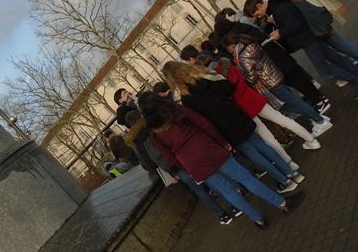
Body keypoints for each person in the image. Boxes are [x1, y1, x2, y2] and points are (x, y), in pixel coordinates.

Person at [141, 95, 305, 228]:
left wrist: (187, 167)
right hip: (208, 149)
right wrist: (222, 142)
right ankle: (282, 203)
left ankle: (258, 219)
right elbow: (204, 124)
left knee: (227, 191)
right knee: (245, 178)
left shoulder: (154, 133)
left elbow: (169, 156)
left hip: (193, 164)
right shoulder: (176, 110)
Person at [162, 61, 302, 193]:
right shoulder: (205, 78)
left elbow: (200, 120)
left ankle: (284, 180)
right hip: (236, 114)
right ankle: (291, 172)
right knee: (262, 144)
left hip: (224, 128)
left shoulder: (186, 100)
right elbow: (228, 87)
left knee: (254, 154)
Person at [127, 101, 239, 225]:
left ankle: (222, 215)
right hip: (182, 158)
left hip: (172, 167)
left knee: (199, 190)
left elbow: (148, 164)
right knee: (210, 181)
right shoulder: (152, 125)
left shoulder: (136, 143)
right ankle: (233, 205)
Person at [222, 33, 332, 141]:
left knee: (293, 103)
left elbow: (251, 77)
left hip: (269, 83)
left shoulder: (242, 56)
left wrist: (243, 75)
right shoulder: (250, 44)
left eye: (228, 49)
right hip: (275, 75)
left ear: (232, 45)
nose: (230, 52)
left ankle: (320, 121)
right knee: (292, 102)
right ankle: (315, 116)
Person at [248, 0, 358, 90]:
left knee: (324, 70)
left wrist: (280, 33)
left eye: (257, 14)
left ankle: (354, 80)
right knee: (335, 57)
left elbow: (296, 25)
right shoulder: (277, 7)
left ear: (259, 6)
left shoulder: (278, 8)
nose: (259, 17)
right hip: (308, 38)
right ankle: (354, 74)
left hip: (307, 40)